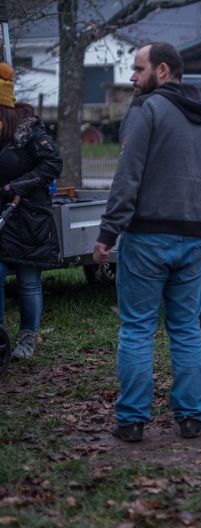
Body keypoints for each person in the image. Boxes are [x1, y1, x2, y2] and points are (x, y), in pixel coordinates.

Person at [93, 43, 201, 443]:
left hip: (146, 238)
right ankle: (191, 416)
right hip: (193, 241)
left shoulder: (146, 110)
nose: (132, 78)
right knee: (186, 328)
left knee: (136, 329)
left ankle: (132, 420)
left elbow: (127, 178)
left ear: (163, 70)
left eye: (137, 69)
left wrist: (107, 233)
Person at [0, 63, 62, 360]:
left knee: (27, 280)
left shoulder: (29, 130)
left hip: (29, 216)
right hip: (2, 217)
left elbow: (53, 165)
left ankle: (27, 338)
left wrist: (18, 187)